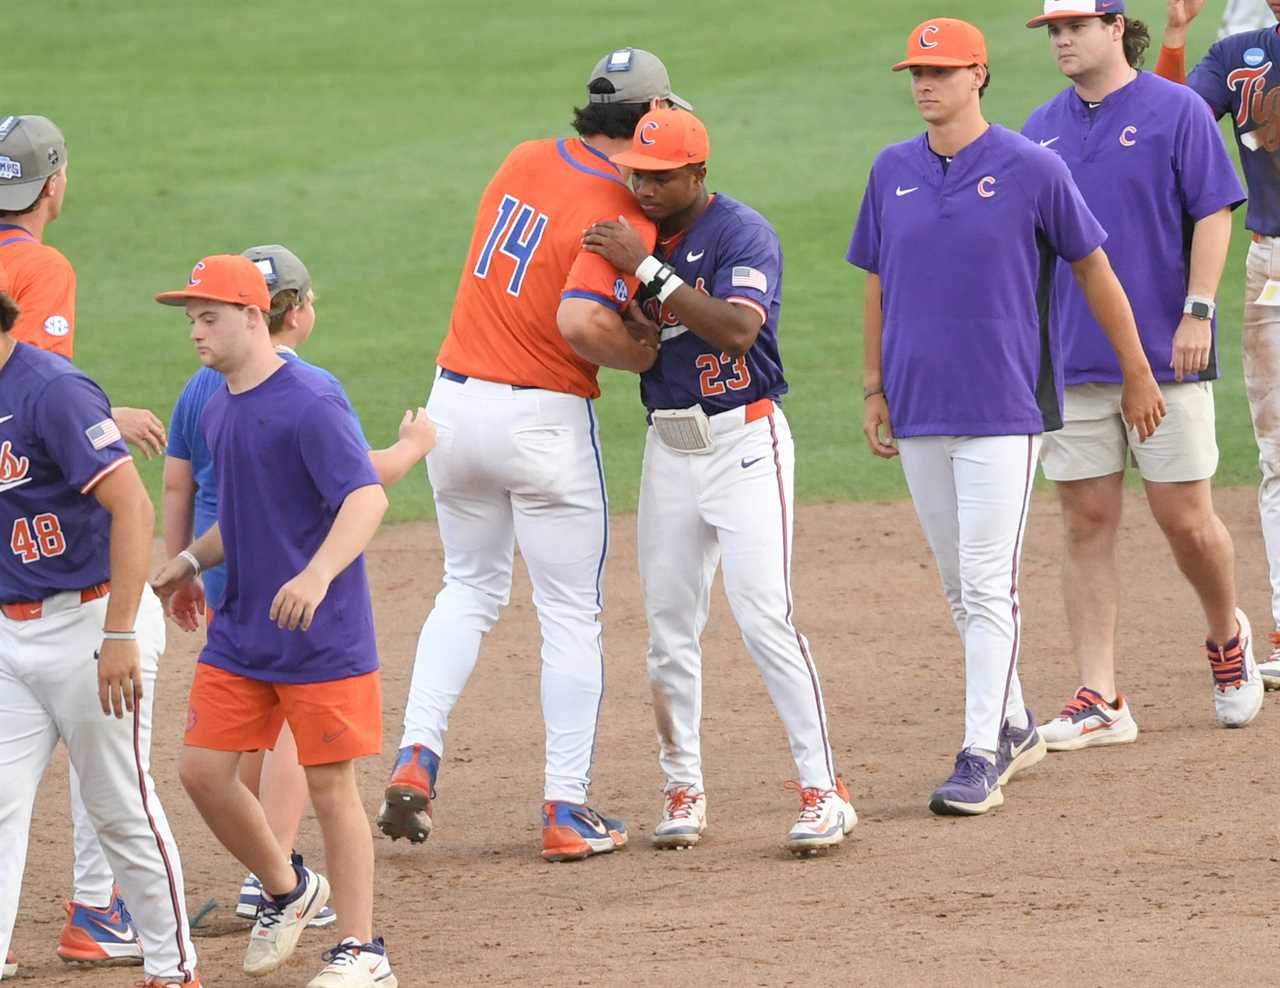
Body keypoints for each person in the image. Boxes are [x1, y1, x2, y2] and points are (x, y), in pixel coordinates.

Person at [848, 17, 1166, 816]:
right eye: (916, 71)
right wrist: (872, 387)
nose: (925, 84)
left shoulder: (1032, 168)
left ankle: (979, 754)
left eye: (942, 71)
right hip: (919, 407)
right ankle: (1018, 724)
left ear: (979, 75)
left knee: (989, 585)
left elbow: (1096, 269)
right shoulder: (890, 171)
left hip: (1001, 407)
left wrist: (1136, 374)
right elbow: (878, 280)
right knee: (962, 587)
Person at [376, 48, 677, 863]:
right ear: (653, 118)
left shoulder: (523, 157)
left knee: (467, 588)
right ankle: (564, 808)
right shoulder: (624, 209)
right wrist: (644, 352)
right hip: (542, 420)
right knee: (568, 615)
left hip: (449, 407)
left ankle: (416, 753)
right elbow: (582, 324)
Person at [580, 109, 855, 855]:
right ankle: (684, 788)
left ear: (698, 173)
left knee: (764, 615)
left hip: (744, 441)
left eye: (662, 175)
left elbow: (737, 329)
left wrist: (646, 270)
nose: (645, 185)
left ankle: (824, 791)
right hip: (668, 448)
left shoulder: (739, 232)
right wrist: (636, 313)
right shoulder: (632, 230)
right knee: (668, 629)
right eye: (638, 172)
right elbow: (636, 339)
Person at [163, 244, 433, 925]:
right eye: (191, 317)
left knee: (330, 785)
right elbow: (245, 514)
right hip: (244, 629)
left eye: (210, 317)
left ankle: (361, 948)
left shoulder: (311, 397)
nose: (196, 330)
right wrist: (191, 561)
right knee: (201, 772)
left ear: (255, 317)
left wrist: (316, 574)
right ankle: (286, 887)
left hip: (318, 629)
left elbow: (364, 498)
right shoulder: (219, 404)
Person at [1023, 0, 1260, 749]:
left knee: (1184, 520)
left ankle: (1228, 639)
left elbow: (1216, 210)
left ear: (1117, 28)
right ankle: (1100, 695)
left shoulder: (1178, 110)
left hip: (1167, 352)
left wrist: (1198, 311)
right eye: (1054, 30)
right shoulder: (1039, 126)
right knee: (1085, 522)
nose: (1062, 40)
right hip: (1071, 360)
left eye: (1075, 27)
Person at [0, 259, 199, 987]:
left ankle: (173, 967)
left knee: (118, 806)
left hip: (91, 623)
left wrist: (119, 634)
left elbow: (134, 509)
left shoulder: (49, 389)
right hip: (9, 636)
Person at [1155, 0, 1280, 687]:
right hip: (1275, 265)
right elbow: (1167, 125)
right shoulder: (1237, 57)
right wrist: (1174, 37)